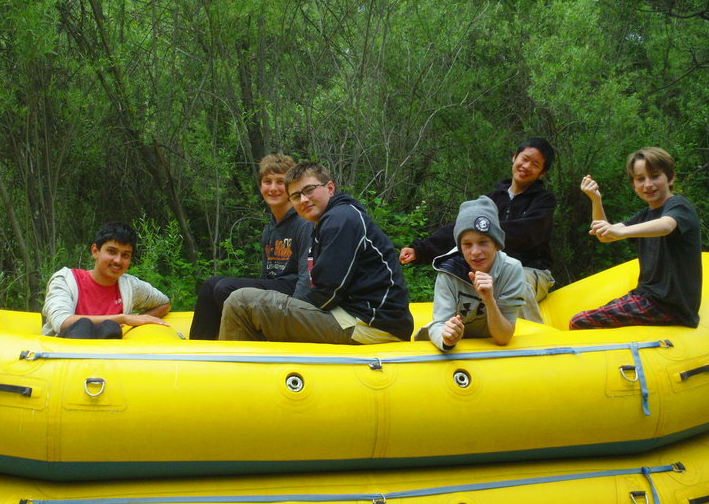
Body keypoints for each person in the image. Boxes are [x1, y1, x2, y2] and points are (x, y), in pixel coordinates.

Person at [219, 161, 413, 344]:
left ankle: (232, 377)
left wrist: (290, 310)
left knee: (241, 302)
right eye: (295, 196)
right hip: (354, 315)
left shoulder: (341, 218)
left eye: (309, 190)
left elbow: (328, 292)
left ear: (330, 188)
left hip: (371, 323)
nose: (303, 199)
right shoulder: (326, 222)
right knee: (259, 306)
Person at [400, 137, 556, 321]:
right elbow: (462, 229)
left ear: (542, 173)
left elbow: (528, 232)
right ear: (514, 157)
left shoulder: (544, 201)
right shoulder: (492, 199)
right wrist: (421, 249)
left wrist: (487, 230)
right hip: (493, 269)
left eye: (535, 164)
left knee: (517, 278)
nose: (526, 166)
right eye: (525, 158)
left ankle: (533, 342)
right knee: (455, 271)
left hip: (532, 270)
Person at [570, 147, 702, 329]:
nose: (648, 184)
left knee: (579, 322)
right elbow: (605, 236)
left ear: (670, 178)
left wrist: (621, 232)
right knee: (592, 315)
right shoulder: (644, 215)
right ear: (634, 185)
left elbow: (666, 226)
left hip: (668, 305)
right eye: (640, 179)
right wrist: (595, 199)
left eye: (655, 176)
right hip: (646, 297)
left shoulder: (679, 206)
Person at [189, 153, 312, 340]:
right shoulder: (269, 229)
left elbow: (306, 277)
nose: (273, 188)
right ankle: (198, 350)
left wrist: (296, 316)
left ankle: (256, 335)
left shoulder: (303, 222)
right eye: (267, 182)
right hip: (274, 287)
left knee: (225, 288)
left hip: (291, 292)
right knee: (210, 284)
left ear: (290, 187)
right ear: (260, 186)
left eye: (280, 182)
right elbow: (266, 276)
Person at [425, 196, 525, 350]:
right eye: (467, 244)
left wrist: (489, 300)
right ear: (460, 247)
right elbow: (438, 325)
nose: (476, 252)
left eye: (483, 242)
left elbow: (503, 337)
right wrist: (447, 339)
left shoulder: (511, 270)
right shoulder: (448, 270)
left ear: (497, 244)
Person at [42, 222, 171, 338]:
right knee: (85, 326)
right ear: (95, 251)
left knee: (110, 328)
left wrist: (137, 320)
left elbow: (164, 303)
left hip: (110, 360)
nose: (118, 260)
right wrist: (123, 319)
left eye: (125, 255)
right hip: (63, 358)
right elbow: (62, 321)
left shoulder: (129, 285)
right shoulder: (66, 280)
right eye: (111, 252)